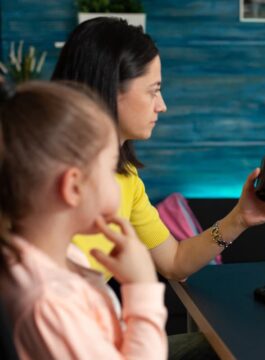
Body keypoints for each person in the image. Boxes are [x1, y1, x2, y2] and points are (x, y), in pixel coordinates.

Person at [52, 17, 265, 282]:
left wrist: (241, 217)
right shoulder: (42, 175)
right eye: (153, 91)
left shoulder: (127, 178)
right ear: (110, 89)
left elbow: (175, 261)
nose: (162, 105)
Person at [0, 81, 167, 359]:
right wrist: (142, 286)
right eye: (111, 167)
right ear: (74, 187)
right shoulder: (50, 304)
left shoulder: (62, 258)